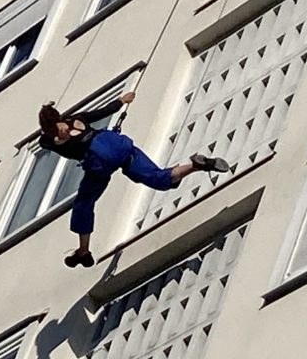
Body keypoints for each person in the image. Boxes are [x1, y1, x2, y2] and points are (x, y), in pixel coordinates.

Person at [38, 92, 229, 268]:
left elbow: (53, 142)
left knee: (83, 204)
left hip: (100, 162)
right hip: (120, 147)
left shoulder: (48, 138)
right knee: (158, 178)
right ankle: (197, 165)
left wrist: (60, 139)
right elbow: (103, 111)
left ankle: (84, 250)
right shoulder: (77, 119)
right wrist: (122, 100)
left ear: (47, 126)